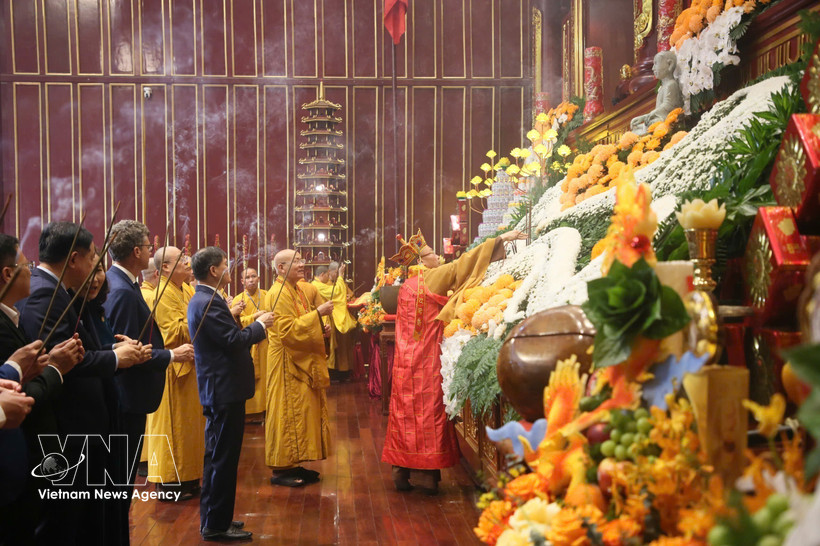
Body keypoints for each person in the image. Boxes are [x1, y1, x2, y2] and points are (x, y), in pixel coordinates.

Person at [18, 221, 148, 544]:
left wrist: (111, 350)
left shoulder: (58, 292)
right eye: (92, 258)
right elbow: (65, 364)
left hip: (85, 428)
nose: (95, 267)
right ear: (74, 259)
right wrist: (117, 358)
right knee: (68, 525)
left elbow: (80, 350)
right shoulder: (44, 296)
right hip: (70, 431)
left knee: (87, 520)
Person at [381, 229, 526, 494]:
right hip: (427, 359)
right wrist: (500, 241)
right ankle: (427, 475)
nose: (437, 256)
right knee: (428, 412)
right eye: (431, 254)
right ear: (422, 261)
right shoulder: (432, 277)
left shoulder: (405, 286)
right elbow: (462, 265)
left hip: (405, 361)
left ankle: (399, 471)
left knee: (404, 414)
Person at [104, 220, 194, 544]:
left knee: (122, 486)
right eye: (148, 245)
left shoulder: (122, 284)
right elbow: (134, 353)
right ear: (137, 251)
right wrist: (171, 355)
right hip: (127, 397)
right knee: (119, 486)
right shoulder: (123, 291)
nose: (152, 252)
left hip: (129, 395)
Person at [0, 233, 82, 545]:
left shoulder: (13, 314)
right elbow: (17, 393)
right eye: (26, 266)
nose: (31, 271)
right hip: (17, 457)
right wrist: (55, 368)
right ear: (8, 274)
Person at [188, 247, 273, 541]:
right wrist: (260, 326)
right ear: (213, 270)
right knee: (222, 459)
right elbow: (232, 341)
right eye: (225, 265)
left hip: (222, 389)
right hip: (223, 390)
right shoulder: (207, 302)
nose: (229, 270)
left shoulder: (206, 299)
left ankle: (217, 518)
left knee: (220, 457)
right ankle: (215, 525)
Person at [264, 250, 334, 487]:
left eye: (303, 260)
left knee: (301, 412)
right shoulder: (277, 293)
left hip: (298, 356)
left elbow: (302, 318)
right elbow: (285, 331)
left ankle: (294, 463)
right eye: (297, 262)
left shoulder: (296, 290)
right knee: (287, 412)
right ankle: (281, 468)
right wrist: (318, 314)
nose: (303, 265)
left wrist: (319, 325)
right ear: (281, 268)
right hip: (286, 361)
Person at [145, 246, 205, 500]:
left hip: (191, 366)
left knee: (190, 427)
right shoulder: (161, 293)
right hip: (173, 367)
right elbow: (173, 331)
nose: (188, 262)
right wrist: (209, 316)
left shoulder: (188, 289)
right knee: (173, 427)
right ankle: (169, 482)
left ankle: (189, 478)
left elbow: (195, 316)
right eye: (181, 259)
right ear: (165, 267)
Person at [311, 262, 357, 378]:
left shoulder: (320, 284)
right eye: (327, 275)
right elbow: (336, 293)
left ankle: (336, 373)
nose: (328, 278)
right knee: (328, 349)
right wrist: (341, 276)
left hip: (329, 318)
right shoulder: (316, 285)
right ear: (322, 274)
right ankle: (330, 374)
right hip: (322, 320)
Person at [235, 267, 268, 416]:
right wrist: (254, 318)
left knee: (267, 376)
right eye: (247, 277)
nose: (251, 280)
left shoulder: (267, 295)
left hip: (267, 344)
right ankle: (251, 412)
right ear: (242, 281)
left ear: (259, 279)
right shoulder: (238, 300)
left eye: (253, 276)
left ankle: (267, 409)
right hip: (248, 344)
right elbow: (235, 322)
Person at [629, 50, 683, 135]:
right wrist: (644, 117)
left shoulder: (671, 84)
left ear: (669, 64)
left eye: (656, 64)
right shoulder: (663, 87)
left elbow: (668, 106)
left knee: (650, 126)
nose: (653, 68)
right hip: (660, 118)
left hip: (668, 119)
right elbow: (660, 108)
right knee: (637, 129)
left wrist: (650, 115)